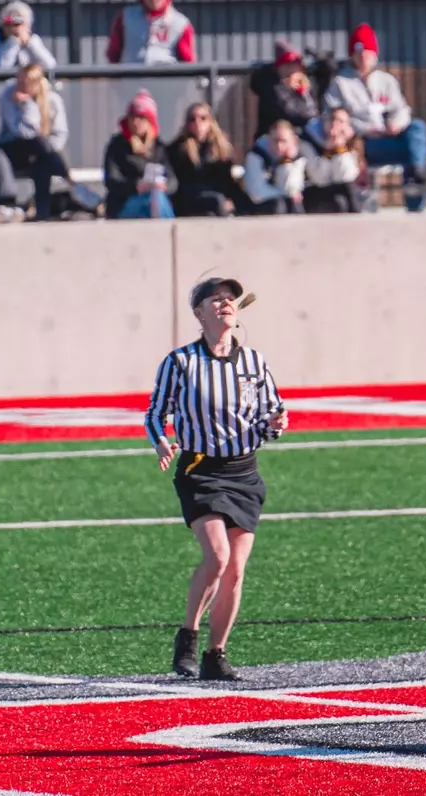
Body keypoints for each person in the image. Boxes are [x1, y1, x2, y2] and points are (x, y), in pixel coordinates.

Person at [147, 277, 287, 681]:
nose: (226, 304)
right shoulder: (180, 362)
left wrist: (276, 423)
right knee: (218, 557)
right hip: (200, 470)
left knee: (237, 570)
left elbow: (270, 419)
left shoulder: (254, 362)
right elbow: (157, 413)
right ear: (200, 312)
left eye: (230, 299)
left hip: (244, 471)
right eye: (216, 299)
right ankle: (187, 638)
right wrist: (161, 442)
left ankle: (216, 654)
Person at [322, 24, 426, 211]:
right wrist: (363, 129)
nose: (363, 58)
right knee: (412, 151)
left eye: (367, 53)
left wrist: (396, 124)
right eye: (359, 54)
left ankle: (415, 179)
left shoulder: (386, 81)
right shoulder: (340, 84)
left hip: (389, 137)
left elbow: (402, 109)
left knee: (417, 129)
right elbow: (334, 118)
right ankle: (415, 179)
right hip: (364, 145)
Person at [0, 60, 71, 220]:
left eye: (25, 82)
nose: (19, 86)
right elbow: (22, 132)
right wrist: (27, 104)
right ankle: (7, 202)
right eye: (18, 81)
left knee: (44, 158)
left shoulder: (53, 101)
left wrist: (48, 151)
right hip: (13, 147)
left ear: (36, 85)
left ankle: (42, 211)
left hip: (44, 151)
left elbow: (60, 133)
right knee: (38, 144)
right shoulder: (7, 98)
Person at [103, 89, 176, 219]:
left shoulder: (158, 147)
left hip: (156, 198)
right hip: (124, 204)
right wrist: (137, 186)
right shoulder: (117, 145)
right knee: (153, 199)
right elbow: (112, 180)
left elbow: (173, 180)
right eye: (132, 116)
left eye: (141, 117)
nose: (136, 121)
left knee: (156, 197)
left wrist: (164, 186)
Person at [166, 103, 248, 217]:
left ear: (210, 122)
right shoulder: (178, 148)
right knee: (216, 201)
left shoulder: (221, 149)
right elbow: (180, 183)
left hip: (215, 199)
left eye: (203, 118)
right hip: (188, 199)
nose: (197, 122)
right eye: (192, 119)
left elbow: (229, 182)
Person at [106, 0, 197, 64]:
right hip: (132, 77)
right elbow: (113, 53)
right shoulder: (125, 18)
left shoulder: (180, 24)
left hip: (167, 77)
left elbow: (188, 61)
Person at [249, 39, 321, 139]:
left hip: (297, 140)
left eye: (295, 64)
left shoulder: (305, 85)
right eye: (286, 65)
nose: (291, 69)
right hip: (272, 142)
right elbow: (299, 114)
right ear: (278, 68)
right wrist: (301, 93)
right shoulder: (272, 89)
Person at [304, 106, 368, 214]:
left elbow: (347, 177)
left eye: (341, 121)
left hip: (347, 191)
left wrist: (340, 150)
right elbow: (319, 179)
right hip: (318, 191)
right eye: (332, 119)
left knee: (347, 197)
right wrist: (328, 153)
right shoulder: (309, 143)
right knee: (338, 203)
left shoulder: (354, 144)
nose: (335, 125)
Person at [242, 119, 309, 215]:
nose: (279, 146)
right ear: (269, 138)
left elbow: (293, 187)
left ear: (293, 140)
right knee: (279, 205)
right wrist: (285, 195)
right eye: (275, 141)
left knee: (296, 205)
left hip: (285, 198)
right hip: (260, 203)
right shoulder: (256, 156)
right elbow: (257, 193)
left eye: (284, 141)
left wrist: (286, 163)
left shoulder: (298, 156)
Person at [0, 1, 57, 71]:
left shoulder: (34, 40)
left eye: (18, 24)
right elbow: (2, 68)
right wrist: (13, 43)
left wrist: (29, 43)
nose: (13, 28)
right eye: (8, 24)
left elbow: (50, 65)